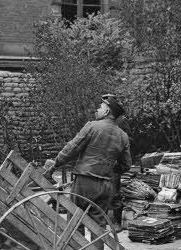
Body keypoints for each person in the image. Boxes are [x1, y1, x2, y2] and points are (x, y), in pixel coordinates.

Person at [45, 94, 132, 236]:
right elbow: (126, 165)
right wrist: (109, 170)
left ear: (107, 112)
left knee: (75, 218)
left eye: (100, 107)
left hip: (85, 181)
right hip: (105, 185)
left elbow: (71, 149)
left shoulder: (92, 126)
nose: (97, 110)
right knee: (98, 224)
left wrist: (56, 164)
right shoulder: (123, 136)